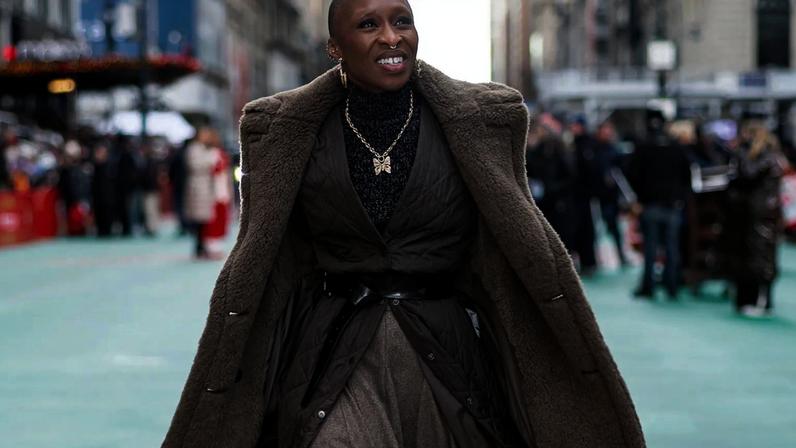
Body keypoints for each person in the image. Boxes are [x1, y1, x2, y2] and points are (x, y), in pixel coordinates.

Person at [163, 1, 645, 447]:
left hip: (448, 347)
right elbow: (273, 259)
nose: (392, 37)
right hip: (335, 347)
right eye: (369, 25)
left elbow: (505, 246)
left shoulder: (477, 123)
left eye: (402, 22)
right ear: (335, 47)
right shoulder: (287, 130)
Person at [627, 114, 692, 299]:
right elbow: (687, 176)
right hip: (672, 205)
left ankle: (648, 286)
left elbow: (632, 174)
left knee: (650, 248)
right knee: (672, 248)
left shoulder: (643, 147)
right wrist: (679, 197)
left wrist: (641, 196)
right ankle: (672, 286)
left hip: (650, 205)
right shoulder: (677, 148)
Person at [724, 122, 784, 317]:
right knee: (754, 256)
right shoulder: (767, 155)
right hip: (756, 214)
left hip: (760, 215)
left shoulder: (764, 156)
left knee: (760, 257)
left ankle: (760, 300)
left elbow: (749, 174)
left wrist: (740, 154)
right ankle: (754, 299)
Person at [526, 114, 576, 253]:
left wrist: (554, 188)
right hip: (545, 199)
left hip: (559, 200)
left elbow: (569, 175)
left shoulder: (558, 149)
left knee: (562, 234)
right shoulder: (537, 151)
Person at [184, 128, 219, 259]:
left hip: (204, 185)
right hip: (198, 185)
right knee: (199, 218)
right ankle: (199, 246)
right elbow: (196, 165)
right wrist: (209, 161)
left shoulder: (203, 148)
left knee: (204, 218)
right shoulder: (194, 149)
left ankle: (201, 245)